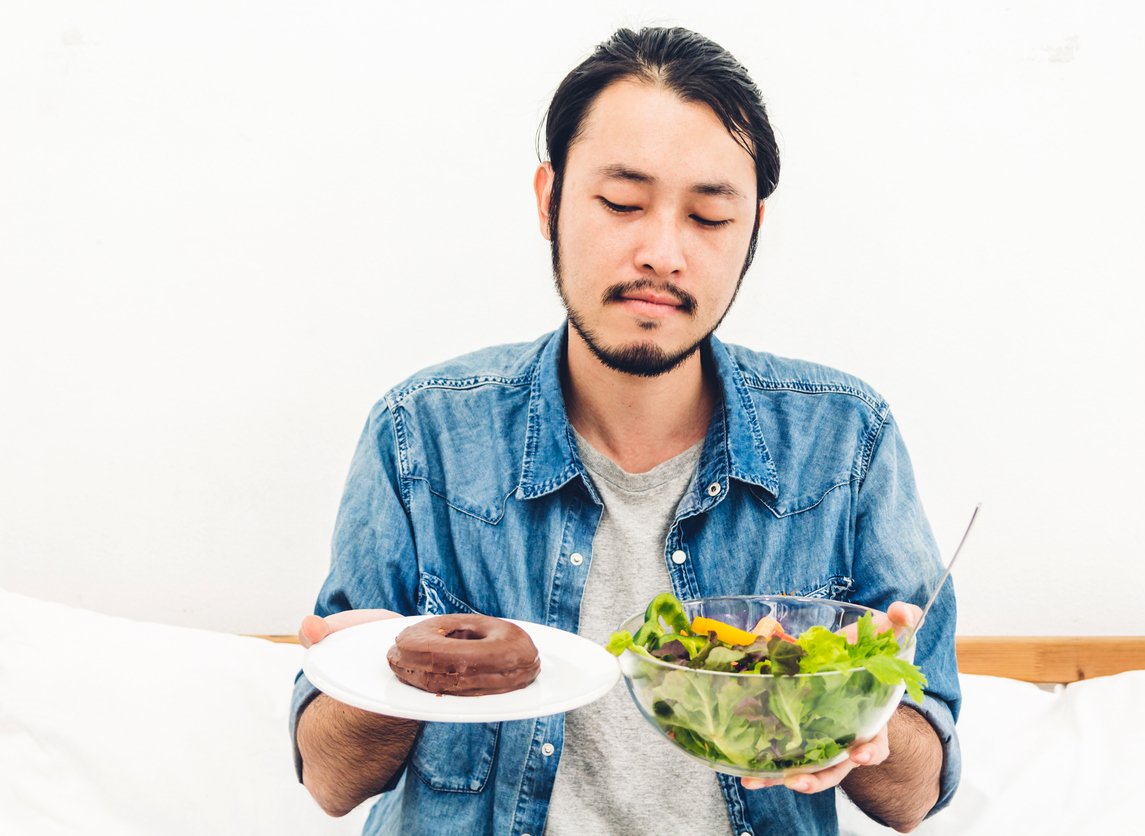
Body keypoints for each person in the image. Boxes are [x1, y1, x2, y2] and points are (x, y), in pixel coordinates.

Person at [290, 26, 961, 835]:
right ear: (550, 200)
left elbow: (916, 794)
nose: (662, 252)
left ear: (752, 234)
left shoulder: (845, 440)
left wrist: (865, 716)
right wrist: (386, 674)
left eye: (710, 216)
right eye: (621, 204)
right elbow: (330, 778)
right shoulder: (422, 433)